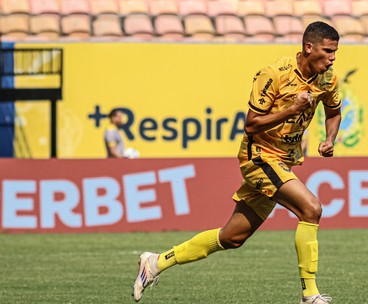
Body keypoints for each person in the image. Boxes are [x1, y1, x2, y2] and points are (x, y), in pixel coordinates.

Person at [132, 21, 342, 304]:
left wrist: (330, 138)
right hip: (259, 157)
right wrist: (292, 109)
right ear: (308, 47)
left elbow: (333, 111)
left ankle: (156, 262)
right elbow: (251, 125)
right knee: (311, 209)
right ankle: (310, 295)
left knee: (232, 237)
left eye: (335, 52)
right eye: (328, 51)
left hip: (283, 161)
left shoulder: (327, 78)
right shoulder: (274, 75)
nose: (332, 58)